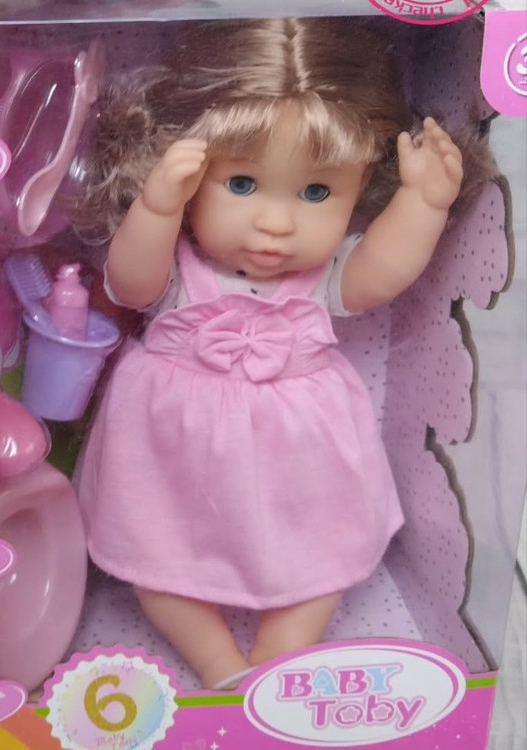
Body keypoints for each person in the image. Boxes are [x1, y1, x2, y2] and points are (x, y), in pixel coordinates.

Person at [74, 18, 491, 689]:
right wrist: (156, 207)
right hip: (172, 451)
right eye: (241, 184)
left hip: (300, 454)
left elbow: (381, 274)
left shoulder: (323, 280)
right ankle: (220, 667)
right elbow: (131, 283)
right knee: (156, 567)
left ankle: (279, 656)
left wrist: (424, 203)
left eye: (317, 192)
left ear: (361, 188)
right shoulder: (178, 271)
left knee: (324, 564)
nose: (276, 223)